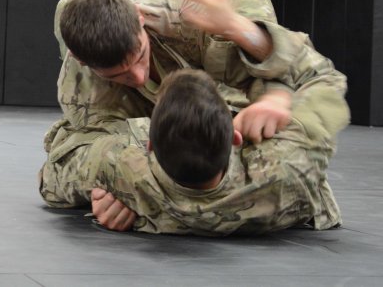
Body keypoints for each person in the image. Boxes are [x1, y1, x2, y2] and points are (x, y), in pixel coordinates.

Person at [39, 0, 341, 212]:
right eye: (121, 75)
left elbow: (291, 68)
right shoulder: (84, 92)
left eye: (141, 57)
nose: (139, 77)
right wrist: (111, 187)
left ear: (141, 20)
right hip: (137, 96)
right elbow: (86, 153)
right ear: (82, 62)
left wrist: (274, 90)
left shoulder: (189, 20)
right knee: (68, 8)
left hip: (189, 6)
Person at [90, 67, 348, 235]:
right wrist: (278, 101)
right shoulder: (288, 167)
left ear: (150, 146)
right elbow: (326, 79)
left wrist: (104, 199)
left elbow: (62, 170)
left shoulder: (126, 172)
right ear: (236, 139)